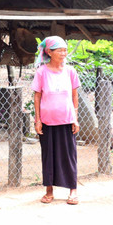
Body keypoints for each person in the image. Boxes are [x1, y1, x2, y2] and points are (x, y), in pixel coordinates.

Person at [32, 36, 80, 205]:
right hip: (47, 121)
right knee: (48, 156)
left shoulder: (70, 71)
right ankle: (49, 190)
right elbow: (37, 97)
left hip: (66, 120)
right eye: (59, 50)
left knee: (69, 156)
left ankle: (73, 190)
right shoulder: (41, 72)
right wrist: (37, 120)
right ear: (49, 52)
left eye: (65, 50)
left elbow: (75, 96)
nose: (63, 53)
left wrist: (75, 118)